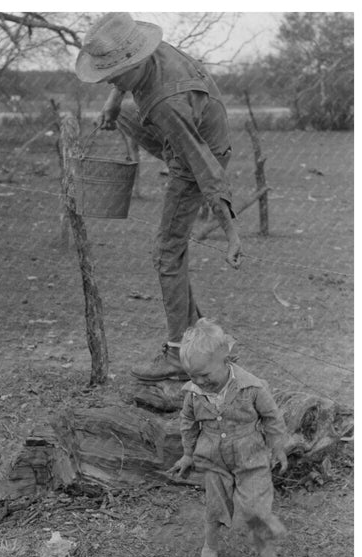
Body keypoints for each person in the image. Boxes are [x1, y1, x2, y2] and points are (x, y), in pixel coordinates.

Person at [75, 13, 242, 381]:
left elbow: (204, 165)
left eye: (116, 75)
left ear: (135, 62)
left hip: (200, 153)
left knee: (166, 250)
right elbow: (126, 79)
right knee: (172, 250)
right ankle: (203, 344)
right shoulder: (148, 55)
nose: (112, 81)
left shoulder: (167, 102)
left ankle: (178, 355)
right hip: (187, 134)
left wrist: (230, 230)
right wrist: (114, 103)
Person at [169, 318, 288, 557]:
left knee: (255, 506)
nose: (199, 381)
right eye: (192, 375)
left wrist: (278, 447)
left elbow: (272, 417)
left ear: (226, 361)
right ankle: (210, 546)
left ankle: (265, 546)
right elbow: (188, 421)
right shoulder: (193, 393)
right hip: (213, 458)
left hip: (250, 456)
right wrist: (188, 454)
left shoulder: (252, 387)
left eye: (204, 374)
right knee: (215, 506)